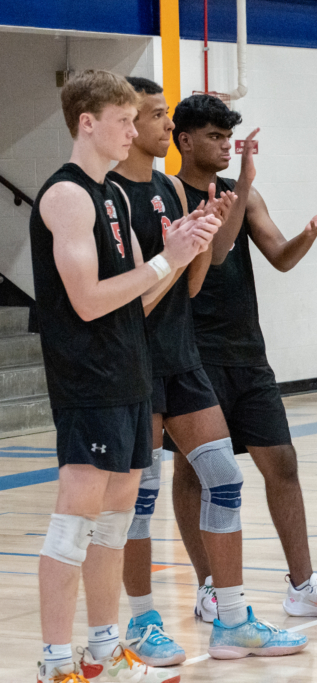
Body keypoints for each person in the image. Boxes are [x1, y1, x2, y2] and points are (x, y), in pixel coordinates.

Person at [31, 70, 219, 683]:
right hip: (88, 378)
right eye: (123, 120)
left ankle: (104, 652)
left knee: (116, 521)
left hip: (131, 371)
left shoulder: (111, 194)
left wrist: (184, 250)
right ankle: (57, 662)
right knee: (75, 520)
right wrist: (166, 258)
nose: (134, 131)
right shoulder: (67, 196)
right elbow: (87, 300)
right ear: (88, 123)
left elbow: (137, 299)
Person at [170, 94, 317, 622]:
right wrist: (247, 183)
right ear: (184, 140)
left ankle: (302, 585)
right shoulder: (169, 195)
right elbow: (217, 252)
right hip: (192, 352)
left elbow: (277, 256)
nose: (225, 144)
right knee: (196, 471)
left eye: (229, 135)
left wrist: (310, 232)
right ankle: (209, 586)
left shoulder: (242, 194)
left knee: (283, 462)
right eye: (214, 135)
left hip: (247, 352)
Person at [108, 76, 234, 667]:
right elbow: (131, 303)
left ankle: (231, 618)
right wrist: (174, 253)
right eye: (158, 115)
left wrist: (203, 237)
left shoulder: (171, 189)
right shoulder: (105, 198)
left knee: (226, 479)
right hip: (135, 363)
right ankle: (140, 622)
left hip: (183, 358)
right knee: (142, 499)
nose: (167, 125)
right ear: (129, 125)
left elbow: (190, 285)